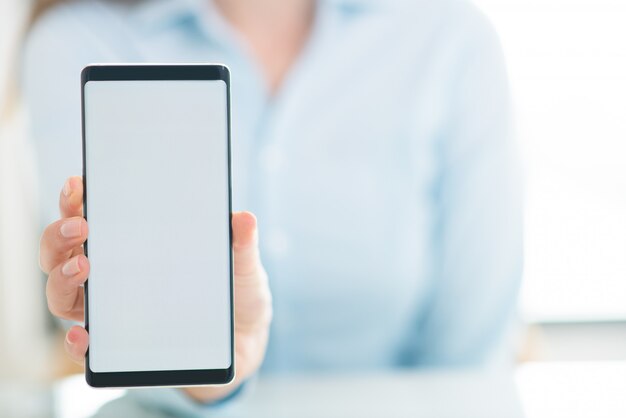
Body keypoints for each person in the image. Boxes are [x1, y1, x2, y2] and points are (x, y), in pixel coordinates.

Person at [24, 0, 522, 415]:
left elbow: (471, 351)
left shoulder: (451, 39)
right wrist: (211, 379)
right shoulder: (78, 40)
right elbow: (116, 326)